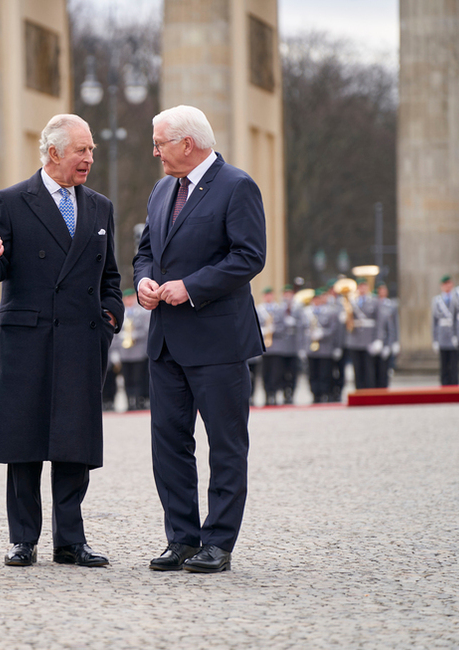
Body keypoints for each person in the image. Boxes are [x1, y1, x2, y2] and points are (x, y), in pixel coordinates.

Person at [0, 113, 123, 568]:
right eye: (82, 150)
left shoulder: (100, 207)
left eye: (92, 150)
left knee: (74, 441)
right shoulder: (11, 200)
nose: (89, 158)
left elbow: (110, 275)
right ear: (54, 152)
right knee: (25, 441)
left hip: (81, 338)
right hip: (28, 341)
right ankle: (23, 539)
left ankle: (70, 540)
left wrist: (109, 315)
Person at [134, 105, 265, 574]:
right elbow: (147, 250)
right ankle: (182, 539)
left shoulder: (237, 186)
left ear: (187, 144)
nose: (154, 152)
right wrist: (144, 282)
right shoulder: (162, 188)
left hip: (218, 341)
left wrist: (190, 287)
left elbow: (249, 257)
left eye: (159, 143)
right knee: (168, 444)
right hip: (166, 341)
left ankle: (219, 543)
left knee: (225, 445)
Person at [305, 289, 345, 402]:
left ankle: (325, 393)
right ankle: (315, 394)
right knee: (313, 373)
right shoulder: (307, 312)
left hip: (325, 347)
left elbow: (334, 329)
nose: (317, 301)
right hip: (311, 348)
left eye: (319, 298)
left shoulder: (330, 312)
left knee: (325, 373)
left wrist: (323, 333)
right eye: (315, 299)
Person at [344, 278, 382, 390]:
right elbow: (348, 319)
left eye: (364, 286)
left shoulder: (374, 301)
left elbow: (379, 321)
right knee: (357, 369)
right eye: (360, 286)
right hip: (354, 338)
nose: (362, 289)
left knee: (369, 368)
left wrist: (378, 339)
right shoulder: (352, 301)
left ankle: (369, 391)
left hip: (368, 339)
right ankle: (359, 391)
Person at [118, 289, 151, 411]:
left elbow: (146, 331)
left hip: (138, 351)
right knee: (128, 379)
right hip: (124, 352)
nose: (129, 300)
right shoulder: (122, 313)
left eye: (131, 298)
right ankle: (129, 401)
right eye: (126, 298)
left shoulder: (141, 313)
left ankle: (138, 400)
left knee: (138, 378)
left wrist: (133, 335)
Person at [432, 275, 459, 386]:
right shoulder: (437, 300)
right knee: (444, 364)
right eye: (445, 284)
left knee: (454, 364)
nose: (447, 287)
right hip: (442, 335)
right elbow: (434, 321)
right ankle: (444, 385)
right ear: (441, 286)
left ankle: (454, 385)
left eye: (449, 284)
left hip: (453, 334)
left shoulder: (457, 299)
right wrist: (435, 339)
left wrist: (458, 335)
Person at [374, 283, 399, 388]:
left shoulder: (391, 305)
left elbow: (394, 325)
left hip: (386, 340)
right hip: (374, 341)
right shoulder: (374, 304)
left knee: (385, 369)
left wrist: (394, 342)